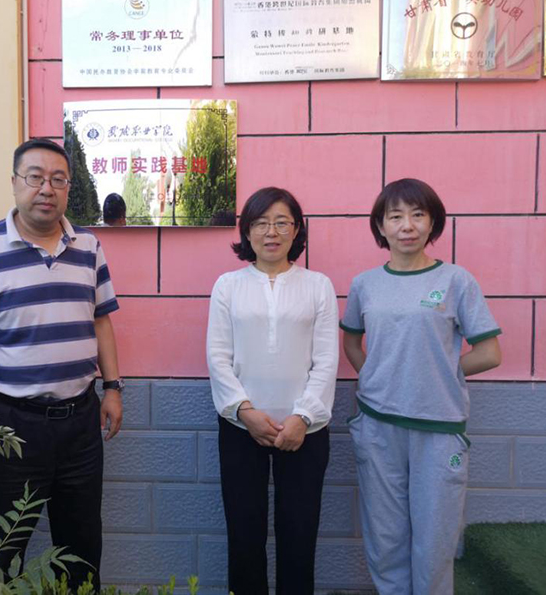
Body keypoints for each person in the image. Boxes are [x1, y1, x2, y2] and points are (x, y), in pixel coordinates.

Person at [0, 138, 123, 591]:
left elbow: (101, 321)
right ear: (14, 182)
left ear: (69, 188)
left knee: (82, 548)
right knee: (2, 551)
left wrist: (113, 388)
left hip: (80, 421)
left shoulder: (88, 245)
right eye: (35, 177)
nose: (47, 188)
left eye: (58, 179)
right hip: (10, 426)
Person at [340, 178, 502, 595]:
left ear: (433, 223)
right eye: (395, 216)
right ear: (381, 226)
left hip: (438, 427)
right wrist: (375, 376)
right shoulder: (364, 284)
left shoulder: (456, 280)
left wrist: (440, 372)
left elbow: (489, 352)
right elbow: (352, 342)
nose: (407, 225)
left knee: (435, 540)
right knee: (385, 537)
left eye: (417, 215)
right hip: (379, 424)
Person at [206, 187, 339, 595]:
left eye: (282, 223)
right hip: (241, 427)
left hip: (305, 432)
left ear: (296, 230)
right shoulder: (228, 286)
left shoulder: (318, 286)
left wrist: (303, 417)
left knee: (299, 536)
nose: (271, 232)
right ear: (247, 231)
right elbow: (218, 356)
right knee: (244, 535)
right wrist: (244, 411)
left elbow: (326, 360)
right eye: (261, 223)